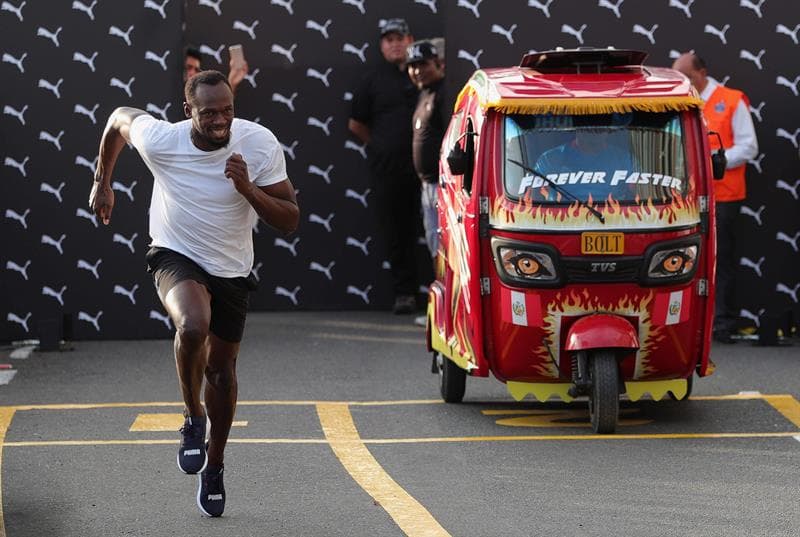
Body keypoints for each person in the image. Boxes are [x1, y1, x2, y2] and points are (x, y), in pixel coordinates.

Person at [88, 70, 299, 517]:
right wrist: (102, 180)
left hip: (232, 269)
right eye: (209, 113)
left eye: (227, 110)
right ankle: (191, 416)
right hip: (174, 252)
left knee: (221, 373)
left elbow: (290, 218)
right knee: (192, 323)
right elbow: (118, 120)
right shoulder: (163, 139)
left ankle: (216, 466)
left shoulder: (258, 143)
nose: (221, 120)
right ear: (189, 113)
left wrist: (247, 189)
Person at [672, 52, 758, 343]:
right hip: (685, 199)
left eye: (689, 77)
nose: (686, 82)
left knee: (720, 261)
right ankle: (688, 323)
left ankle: (722, 323)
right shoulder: (679, 102)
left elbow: (748, 147)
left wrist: (708, 162)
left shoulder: (732, 100)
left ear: (703, 72)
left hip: (724, 196)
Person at [348, 18, 421, 314]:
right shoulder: (372, 79)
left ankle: (443, 295)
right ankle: (405, 293)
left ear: (410, 40)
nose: (395, 44)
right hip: (387, 171)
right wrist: (379, 145)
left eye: (400, 38)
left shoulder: (426, 73)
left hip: (427, 171)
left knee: (436, 230)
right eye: (389, 39)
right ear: (381, 45)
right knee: (397, 232)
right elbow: (355, 123)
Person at [406, 39, 447, 326]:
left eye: (423, 64)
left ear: (438, 64)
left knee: (445, 248)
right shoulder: (424, 94)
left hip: (445, 188)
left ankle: (445, 312)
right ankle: (439, 309)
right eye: (412, 66)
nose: (417, 71)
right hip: (427, 187)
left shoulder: (445, 94)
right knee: (435, 247)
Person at [183, 45, 249, 94]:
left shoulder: (199, 95)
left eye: (196, 70)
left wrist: (232, 83)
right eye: (188, 67)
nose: (192, 73)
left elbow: (219, 103)